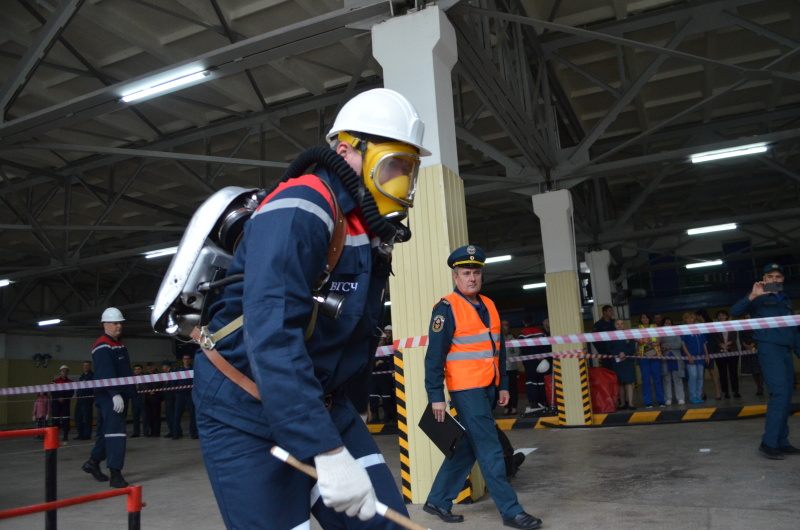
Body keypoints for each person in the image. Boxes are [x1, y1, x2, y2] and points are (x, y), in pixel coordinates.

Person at [192, 88, 429, 528]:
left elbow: (357, 330)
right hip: (244, 405)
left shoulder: (367, 228)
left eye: (407, 170)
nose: (400, 180)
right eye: (392, 164)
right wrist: (327, 450)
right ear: (345, 152)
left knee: (386, 523)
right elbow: (272, 333)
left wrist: (347, 416)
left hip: (319, 402)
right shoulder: (302, 204)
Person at [423, 245, 542, 529]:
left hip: (487, 387)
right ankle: (511, 511)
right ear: (456, 277)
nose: (472, 277)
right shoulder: (446, 309)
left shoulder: (489, 305)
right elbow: (434, 357)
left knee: (468, 447)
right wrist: (435, 396)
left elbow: (497, 350)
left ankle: (438, 500)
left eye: (476, 272)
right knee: (489, 448)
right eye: (466, 273)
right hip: (465, 390)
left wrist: (502, 385)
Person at [731, 263, 800, 460]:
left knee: (786, 396)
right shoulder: (758, 297)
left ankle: (782, 441)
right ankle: (768, 443)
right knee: (779, 393)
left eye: (778, 277)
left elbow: (793, 329)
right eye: (770, 277)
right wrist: (753, 295)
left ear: (783, 280)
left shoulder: (785, 300)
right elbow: (735, 311)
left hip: (785, 351)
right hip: (769, 349)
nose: (774, 280)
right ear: (764, 279)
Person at [82, 307, 134, 489]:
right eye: (115, 323)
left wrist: (130, 393)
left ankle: (92, 462)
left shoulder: (118, 344)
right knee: (116, 433)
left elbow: (124, 371)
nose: (119, 326)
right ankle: (115, 473)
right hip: (109, 396)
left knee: (106, 433)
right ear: (105, 325)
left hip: (117, 394)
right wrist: (115, 394)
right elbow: (105, 372)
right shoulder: (102, 345)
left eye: (120, 323)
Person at [518, 315, 549, 416]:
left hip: (530, 361)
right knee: (541, 381)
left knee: (531, 381)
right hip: (542, 360)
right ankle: (543, 401)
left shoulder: (522, 333)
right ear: (533, 321)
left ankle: (534, 402)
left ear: (524, 322)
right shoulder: (541, 332)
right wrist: (542, 355)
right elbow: (547, 344)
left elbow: (522, 348)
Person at [710, 309, 740, 399]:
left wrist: (727, 345)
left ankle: (736, 391)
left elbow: (734, 338)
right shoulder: (714, 327)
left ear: (727, 316)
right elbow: (714, 338)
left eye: (723, 315)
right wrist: (721, 345)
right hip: (719, 352)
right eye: (719, 315)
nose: (721, 317)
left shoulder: (732, 325)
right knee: (722, 373)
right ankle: (725, 392)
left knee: (733, 372)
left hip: (732, 350)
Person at [636, 313, 665, 408]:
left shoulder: (655, 327)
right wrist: (650, 341)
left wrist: (646, 341)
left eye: (646, 317)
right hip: (643, 357)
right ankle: (648, 402)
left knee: (657, 379)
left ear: (649, 318)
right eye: (642, 317)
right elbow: (637, 340)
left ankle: (661, 401)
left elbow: (659, 340)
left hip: (655, 356)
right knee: (646, 380)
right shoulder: (637, 329)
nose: (644, 319)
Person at [680, 312, 709, 405]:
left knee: (700, 376)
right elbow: (683, 344)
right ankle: (693, 397)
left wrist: (707, 354)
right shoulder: (684, 330)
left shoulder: (698, 329)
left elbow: (704, 342)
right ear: (685, 320)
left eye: (691, 318)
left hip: (700, 357)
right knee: (693, 376)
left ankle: (698, 396)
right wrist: (688, 355)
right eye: (688, 319)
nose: (690, 320)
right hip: (691, 357)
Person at [609, 319, 637, 410]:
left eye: (621, 324)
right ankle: (622, 403)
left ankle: (631, 403)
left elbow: (632, 348)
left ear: (624, 325)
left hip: (627, 360)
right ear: (615, 325)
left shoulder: (629, 335)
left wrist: (624, 353)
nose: (620, 325)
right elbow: (609, 348)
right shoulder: (611, 336)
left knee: (629, 382)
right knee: (620, 383)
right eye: (617, 324)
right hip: (617, 362)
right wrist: (618, 354)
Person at [369, 336, 397, 424]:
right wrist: (375, 364)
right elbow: (367, 366)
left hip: (386, 379)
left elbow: (392, 365)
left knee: (387, 398)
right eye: (380, 340)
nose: (382, 341)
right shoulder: (372, 351)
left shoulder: (388, 351)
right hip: (374, 380)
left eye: (384, 340)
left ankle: (387, 416)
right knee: (373, 398)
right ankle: (375, 416)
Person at [696, 310, 722, 400]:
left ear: (699, 316)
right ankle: (703, 393)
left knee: (711, 371)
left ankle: (718, 392)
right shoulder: (699, 325)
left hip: (709, 349)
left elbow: (713, 337)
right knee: (701, 373)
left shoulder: (709, 324)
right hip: (701, 350)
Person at [660, 317, 685, 406]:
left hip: (676, 358)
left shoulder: (676, 332)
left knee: (677, 379)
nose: (667, 325)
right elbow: (659, 344)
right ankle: (668, 398)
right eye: (666, 323)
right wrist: (664, 347)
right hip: (665, 358)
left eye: (669, 323)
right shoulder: (660, 333)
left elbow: (678, 345)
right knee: (666, 379)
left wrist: (668, 346)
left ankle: (680, 398)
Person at [172, 353, 198, 439]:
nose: (187, 360)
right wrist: (177, 391)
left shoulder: (194, 369)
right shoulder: (178, 370)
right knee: (177, 415)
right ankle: (177, 433)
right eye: (185, 359)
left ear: (190, 360)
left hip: (191, 395)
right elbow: (174, 382)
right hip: (180, 395)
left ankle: (193, 433)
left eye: (188, 358)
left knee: (193, 415)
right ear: (182, 360)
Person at [738, 314, 764, 396]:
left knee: (759, 369)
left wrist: (753, 344)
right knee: (753, 370)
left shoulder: (756, 322)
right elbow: (740, 336)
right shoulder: (742, 324)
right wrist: (745, 345)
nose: (747, 315)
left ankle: (761, 386)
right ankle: (758, 386)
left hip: (757, 347)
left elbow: (760, 334)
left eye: (749, 314)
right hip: (746, 348)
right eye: (745, 314)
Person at [501, 319, 521, 415]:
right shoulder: (497, 339)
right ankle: (506, 407)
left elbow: (517, 352)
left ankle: (514, 407)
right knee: (504, 388)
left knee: (513, 388)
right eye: (503, 325)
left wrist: (510, 358)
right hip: (502, 368)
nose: (505, 327)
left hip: (512, 367)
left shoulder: (512, 339)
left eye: (507, 325)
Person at [50, 365, 74, 442]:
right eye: (63, 371)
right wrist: (58, 398)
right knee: (55, 420)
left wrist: (64, 398)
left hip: (66, 404)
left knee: (66, 420)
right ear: (60, 372)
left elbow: (71, 392)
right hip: (56, 404)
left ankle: (65, 436)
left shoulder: (71, 382)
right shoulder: (54, 382)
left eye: (66, 371)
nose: (64, 372)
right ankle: (54, 436)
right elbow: (52, 392)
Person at [74, 361, 95, 440]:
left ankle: (87, 435)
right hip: (80, 399)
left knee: (87, 418)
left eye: (87, 365)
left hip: (87, 399)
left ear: (90, 366)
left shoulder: (92, 376)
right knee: (77, 417)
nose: (85, 367)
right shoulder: (82, 376)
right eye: (84, 365)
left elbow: (91, 388)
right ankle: (80, 434)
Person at [143, 362, 163, 437]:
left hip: (156, 397)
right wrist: (148, 390)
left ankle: (157, 432)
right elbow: (143, 384)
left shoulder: (159, 374)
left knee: (156, 415)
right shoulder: (145, 375)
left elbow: (161, 383)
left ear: (154, 367)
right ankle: (152, 431)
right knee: (149, 416)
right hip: (147, 398)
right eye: (148, 368)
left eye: (151, 368)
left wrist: (153, 389)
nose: (150, 370)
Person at [593, 305, 616, 370]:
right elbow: (594, 339)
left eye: (612, 310)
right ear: (604, 312)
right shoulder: (598, 325)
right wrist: (602, 350)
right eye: (610, 311)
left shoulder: (614, 323)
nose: (612, 312)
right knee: (607, 371)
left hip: (615, 351)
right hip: (605, 353)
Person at [130, 364, 149, 438]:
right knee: (135, 417)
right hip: (135, 399)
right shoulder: (132, 378)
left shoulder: (145, 377)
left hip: (143, 398)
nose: (137, 371)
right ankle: (136, 432)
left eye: (138, 369)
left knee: (145, 416)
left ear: (141, 370)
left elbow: (147, 387)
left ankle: (146, 432)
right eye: (136, 369)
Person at [161, 360, 176, 438]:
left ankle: (175, 431)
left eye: (163, 366)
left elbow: (172, 385)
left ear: (167, 366)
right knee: (169, 415)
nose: (162, 368)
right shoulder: (166, 374)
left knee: (172, 415)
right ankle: (172, 430)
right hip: (167, 397)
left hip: (171, 397)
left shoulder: (172, 373)